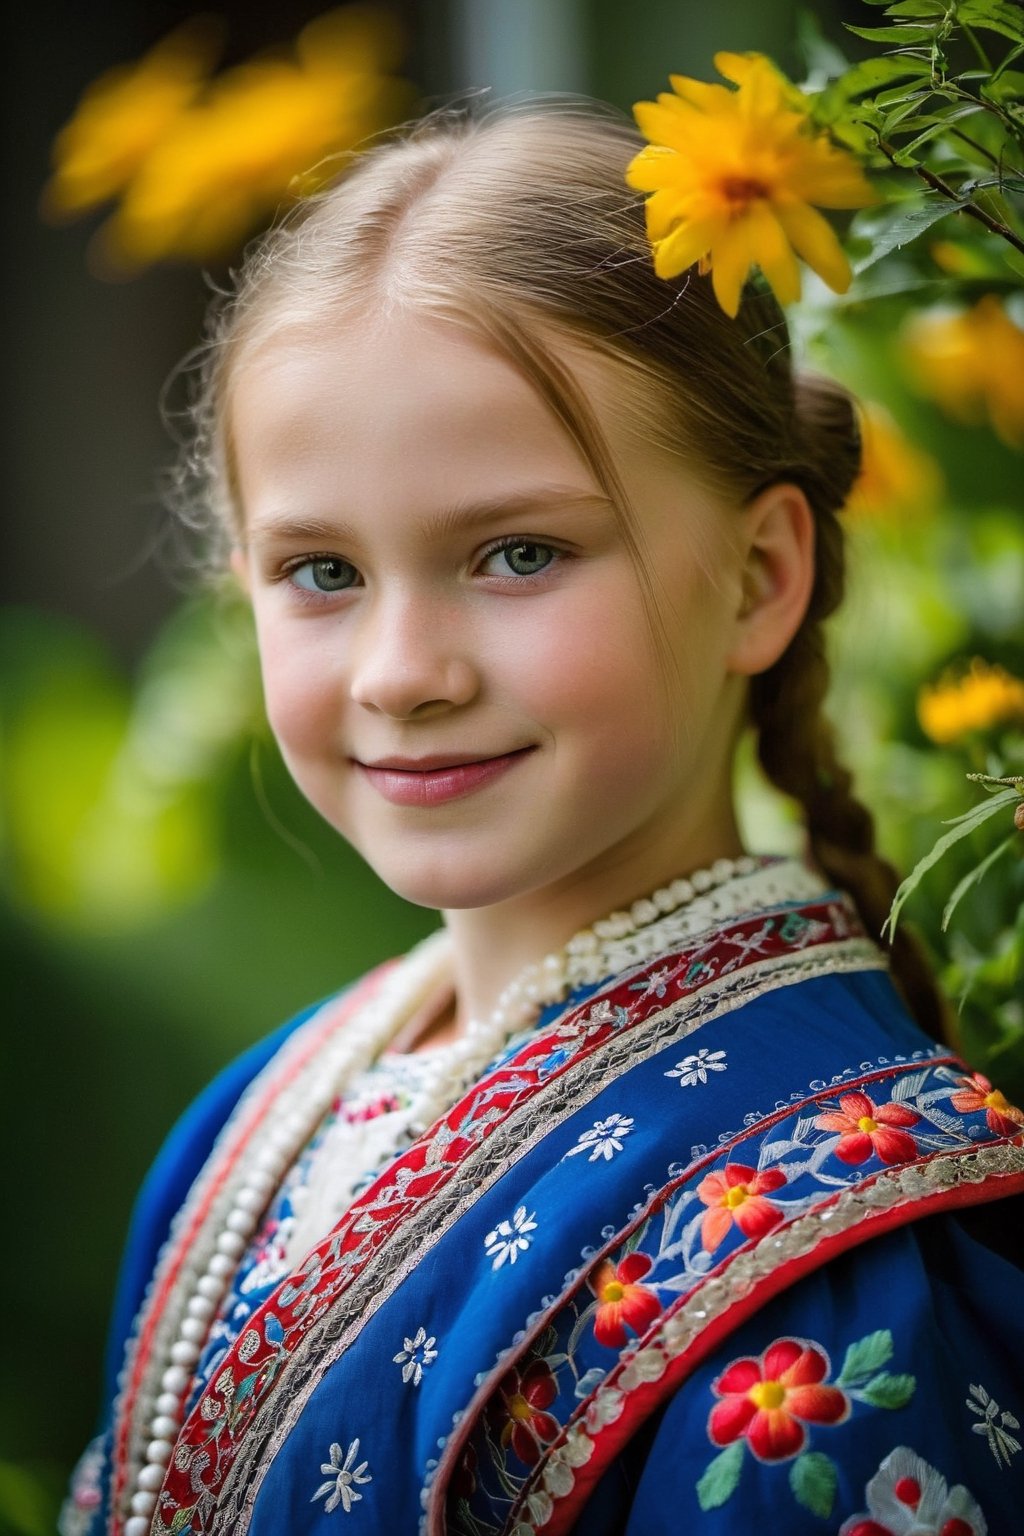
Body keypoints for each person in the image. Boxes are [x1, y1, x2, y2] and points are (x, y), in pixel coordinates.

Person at [63, 101, 1024, 1536]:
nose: (403, 675)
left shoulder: (827, 1265)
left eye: (518, 554)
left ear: (759, 574)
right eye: (322, 572)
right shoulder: (260, 1117)